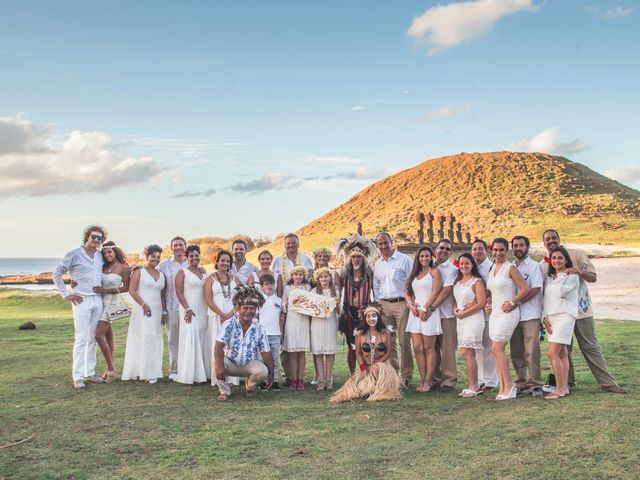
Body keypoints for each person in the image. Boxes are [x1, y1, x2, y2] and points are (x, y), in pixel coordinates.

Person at [540, 229, 627, 394]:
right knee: (563, 349)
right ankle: (566, 383)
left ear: (559, 239)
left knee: (590, 346)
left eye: (553, 238)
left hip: (581, 311)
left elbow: (593, 277)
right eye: (547, 239)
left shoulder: (577, 254)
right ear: (544, 243)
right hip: (557, 314)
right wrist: (544, 316)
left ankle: (608, 383)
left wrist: (578, 271)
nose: (551, 241)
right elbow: (545, 292)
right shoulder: (544, 264)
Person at [53, 225, 107, 389]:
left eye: (99, 238)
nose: (96, 240)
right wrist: (66, 293)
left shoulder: (100, 255)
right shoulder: (74, 254)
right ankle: (77, 377)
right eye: (94, 236)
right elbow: (56, 274)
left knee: (92, 338)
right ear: (87, 237)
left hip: (97, 300)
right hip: (81, 300)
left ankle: (89, 373)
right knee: (81, 339)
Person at [485, 238, 530, 400]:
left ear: (507, 250)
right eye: (495, 250)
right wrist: (488, 304)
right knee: (495, 350)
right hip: (495, 314)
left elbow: (525, 288)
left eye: (501, 250)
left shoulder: (510, 268)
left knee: (497, 348)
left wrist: (512, 302)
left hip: (508, 313)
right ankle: (503, 386)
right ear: (491, 250)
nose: (498, 253)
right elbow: (492, 291)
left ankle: (509, 386)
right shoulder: (492, 268)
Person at [330, 303, 403, 403]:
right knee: (357, 385)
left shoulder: (386, 333)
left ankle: (378, 389)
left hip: (381, 368)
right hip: (366, 367)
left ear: (378, 317)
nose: (371, 319)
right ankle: (367, 389)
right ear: (364, 318)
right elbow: (358, 354)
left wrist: (377, 364)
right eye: (368, 316)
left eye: (374, 316)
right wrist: (363, 368)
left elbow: (388, 353)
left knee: (377, 378)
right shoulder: (359, 334)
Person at [214, 286, 275, 401]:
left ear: (256, 309)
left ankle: (250, 387)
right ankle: (224, 391)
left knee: (263, 371)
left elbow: (266, 352)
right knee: (215, 362)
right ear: (238, 308)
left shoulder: (259, 328)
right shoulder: (229, 324)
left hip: (249, 365)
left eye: (252, 308)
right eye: (245, 308)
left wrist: (271, 373)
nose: (248, 311)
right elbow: (218, 346)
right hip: (230, 363)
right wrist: (220, 366)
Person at [271, 233, 314, 385]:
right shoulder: (277, 261)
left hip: (302, 309)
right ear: (284, 245)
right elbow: (273, 280)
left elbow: (311, 281)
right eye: (288, 243)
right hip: (284, 303)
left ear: (298, 244)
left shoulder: (306, 259)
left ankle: (298, 378)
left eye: (293, 243)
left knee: (299, 346)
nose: (291, 246)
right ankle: (288, 375)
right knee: (286, 343)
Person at [121, 244, 166, 384]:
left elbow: (162, 295)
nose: (156, 259)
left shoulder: (162, 275)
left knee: (155, 338)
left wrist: (164, 312)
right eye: (153, 256)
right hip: (143, 309)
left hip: (157, 310)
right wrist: (144, 304)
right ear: (147, 257)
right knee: (144, 337)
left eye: (158, 257)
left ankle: (153, 370)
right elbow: (132, 291)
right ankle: (144, 372)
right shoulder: (139, 272)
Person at [373, 232, 413, 386]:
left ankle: (407, 376)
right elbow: (376, 286)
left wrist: (410, 301)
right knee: (388, 341)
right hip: (384, 305)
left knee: (404, 341)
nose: (383, 246)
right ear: (377, 246)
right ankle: (393, 375)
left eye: (385, 243)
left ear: (391, 242)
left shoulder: (404, 260)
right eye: (380, 244)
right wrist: (378, 304)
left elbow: (411, 281)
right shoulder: (378, 264)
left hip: (402, 303)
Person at [542, 246, 580, 400]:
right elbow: (547, 299)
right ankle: (564, 388)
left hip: (565, 316)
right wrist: (544, 317)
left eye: (560, 258)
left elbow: (562, 292)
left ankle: (558, 389)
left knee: (552, 353)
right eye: (554, 258)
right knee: (562, 353)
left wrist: (564, 275)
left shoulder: (571, 276)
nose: (556, 261)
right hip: (552, 317)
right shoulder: (551, 277)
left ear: (566, 260)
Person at [336, 233, 376, 375]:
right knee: (351, 347)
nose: (356, 259)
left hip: (365, 314)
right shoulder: (345, 274)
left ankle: (366, 374)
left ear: (363, 258)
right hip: (349, 314)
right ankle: (353, 376)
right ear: (349, 258)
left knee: (365, 346)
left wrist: (373, 310)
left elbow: (375, 293)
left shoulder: (370, 274)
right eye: (353, 257)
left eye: (358, 257)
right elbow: (337, 292)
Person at [404, 246, 442, 393]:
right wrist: (411, 306)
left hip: (428, 313)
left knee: (429, 348)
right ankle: (423, 380)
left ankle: (428, 382)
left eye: (427, 256)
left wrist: (424, 309)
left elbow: (436, 292)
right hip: (415, 314)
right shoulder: (415, 274)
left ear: (431, 257)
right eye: (422, 256)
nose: (424, 259)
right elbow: (407, 291)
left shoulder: (434, 272)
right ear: (418, 258)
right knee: (418, 348)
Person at [510, 235, 544, 395]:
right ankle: (520, 381)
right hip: (513, 315)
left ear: (527, 247)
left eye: (521, 245)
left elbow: (536, 289)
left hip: (530, 314)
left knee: (531, 350)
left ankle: (535, 383)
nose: (518, 248)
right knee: (516, 351)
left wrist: (518, 302)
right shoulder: (510, 267)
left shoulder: (534, 266)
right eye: (515, 245)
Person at [453, 253, 488, 398]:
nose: (464, 266)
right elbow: (455, 300)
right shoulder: (458, 282)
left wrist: (465, 313)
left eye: (467, 263)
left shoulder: (477, 282)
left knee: (469, 353)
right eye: (461, 264)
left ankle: (474, 386)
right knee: (465, 353)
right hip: (460, 319)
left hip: (473, 319)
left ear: (472, 265)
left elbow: (481, 302)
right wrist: (455, 309)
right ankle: (473, 383)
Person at [95, 241, 130, 383]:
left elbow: (126, 288)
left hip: (113, 303)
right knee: (109, 336)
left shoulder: (124, 267)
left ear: (115, 252)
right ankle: (108, 368)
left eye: (110, 252)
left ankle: (111, 369)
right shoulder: (102, 267)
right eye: (104, 253)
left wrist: (106, 290)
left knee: (98, 336)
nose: (107, 255)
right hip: (100, 302)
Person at [175, 245, 209, 384]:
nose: (195, 258)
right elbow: (179, 292)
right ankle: (191, 374)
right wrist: (187, 308)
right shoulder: (182, 272)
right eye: (191, 256)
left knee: (202, 335)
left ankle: (204, 372)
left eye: (197, 255)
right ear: (187, 257)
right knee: (191, 335)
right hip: (189, 308)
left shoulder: (204, 273)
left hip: (203, 308)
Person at [204, 250, 238, 386]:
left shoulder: (235, 278)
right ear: (217, 261)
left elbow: (242, 296)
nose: (225, 263)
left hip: (232, 316)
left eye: (227, 261)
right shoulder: (210, 279)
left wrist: (233, 312)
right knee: (217, 345)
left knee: (231, 345)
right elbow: (208, 299)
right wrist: (221, 314)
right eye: (222, 260)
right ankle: (218, 377)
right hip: (216, 316)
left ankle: (233, 377)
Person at [470, 239, 498, 391]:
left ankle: (491, 381)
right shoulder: (471, 267)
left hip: (488, 311)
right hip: (474, 314)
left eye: (480, 248)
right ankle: (480, 379)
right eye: (474, 249)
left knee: (489, 347)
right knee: (477, 348)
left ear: (487, 250)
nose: (477, 251)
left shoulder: (492, 267)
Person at [158, 236, 188, 380]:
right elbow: (160, 288)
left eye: (181, 245)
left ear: (185, 247)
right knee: (173, 340)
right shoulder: (164, 265)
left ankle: (188, 367)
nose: (178, 248)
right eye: (175, 245)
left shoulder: (192, 263)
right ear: (171, 248)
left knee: (188, 338)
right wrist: (163, 309)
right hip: (172, 307)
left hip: (189, 308)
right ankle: (174, 370)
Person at [432, 239, 460, 392]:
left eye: (447, 249)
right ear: (435, 250)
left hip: (446, 313)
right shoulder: (428, 266)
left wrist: (431, 307)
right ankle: (435, 378)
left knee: (448, 348)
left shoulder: (452, 270)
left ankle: (449, 380)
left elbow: (446, 291)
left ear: (450, 253)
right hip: (431, 315)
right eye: (441, 248)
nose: (443, 251)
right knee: (432, 348)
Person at [280, 266, 311, 390]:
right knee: (292, 352)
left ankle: (301, 379)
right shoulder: (287, 288)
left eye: (300, 275)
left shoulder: (307, 288)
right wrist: (286, 303)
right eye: (296, 275)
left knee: (301, 353)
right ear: (292, 276)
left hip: (303, 319)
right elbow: (283, 305)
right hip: (292, 320)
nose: (298, 277)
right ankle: (293, 379)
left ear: (303, 276)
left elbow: (310, 303)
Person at [310, 267, 340, 391]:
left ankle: (329, 379)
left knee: (329, 352)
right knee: (318, 352)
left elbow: (338, 311)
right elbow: (309, 308)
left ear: (330, 278)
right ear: (318, 278)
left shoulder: (335, 290)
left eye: (326, 276)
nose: (324, 279)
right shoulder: (313, 291)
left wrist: (338, 304)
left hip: (330, 322)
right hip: (317, 323)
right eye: (321, 277)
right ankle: (321, 380)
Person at [257, 274, 282, 390]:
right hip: (263, 335)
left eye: (271, 284)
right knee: (263, 359)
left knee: (275, 359)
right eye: (266, 284)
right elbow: (256, 319)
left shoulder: (279, 300)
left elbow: (281, 318)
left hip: (275, 334)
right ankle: (263, 380)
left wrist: (282, 333)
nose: (269, 286)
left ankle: (275, 380)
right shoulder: (259, 300)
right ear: (262, 286)